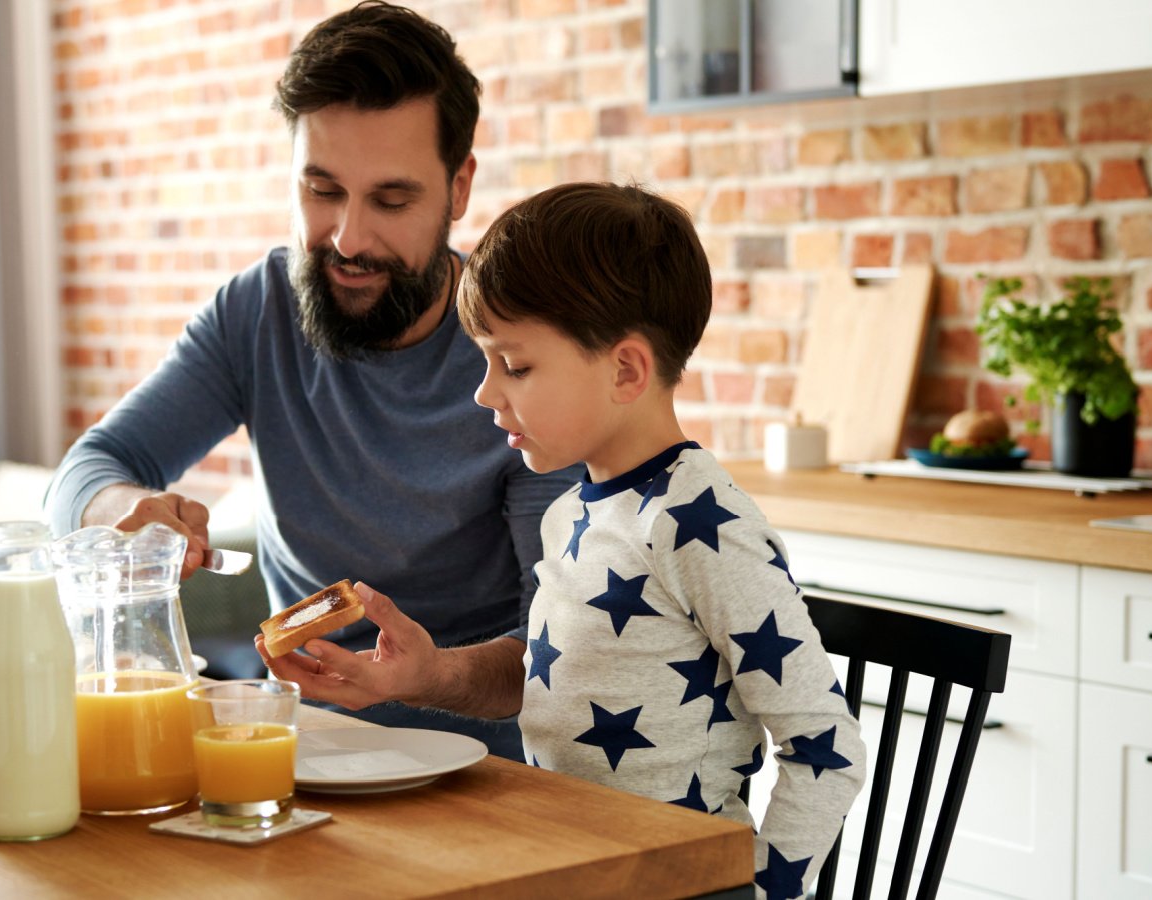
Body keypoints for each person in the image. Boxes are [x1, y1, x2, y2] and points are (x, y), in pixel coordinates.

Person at [261, 183, 866, 899]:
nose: (486, 393)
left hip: (667, 883)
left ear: (625, 370)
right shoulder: (573, 511)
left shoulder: (699, 523)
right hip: (566, 863)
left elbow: (828, 752)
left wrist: (760, 891)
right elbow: (560, 686)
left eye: (514, 365)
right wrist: (418, 675)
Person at [44, 1, 580, 759]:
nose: (348, 240)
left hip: (484, 774)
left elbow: (569, 650)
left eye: (391, 201)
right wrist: (129, 508)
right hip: (303, 757)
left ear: (459, 189)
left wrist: (424, 678)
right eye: (322, 190)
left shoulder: (523, 358)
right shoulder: (258, 310)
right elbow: (81, 474)